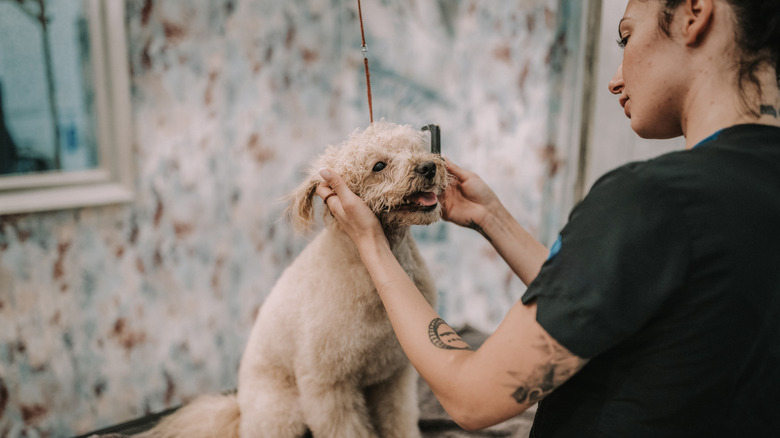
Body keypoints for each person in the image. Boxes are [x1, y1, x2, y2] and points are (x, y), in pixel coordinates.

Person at [316, 0, 780, 435]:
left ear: (695, 14)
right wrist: (491, 217)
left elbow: (472, 397)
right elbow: (616, 301)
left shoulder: (653, 198)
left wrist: (373, 245)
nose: (615, 80)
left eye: (626, 36)